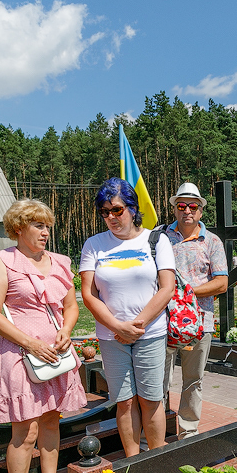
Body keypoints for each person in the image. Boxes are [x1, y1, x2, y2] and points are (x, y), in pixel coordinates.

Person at [0, 199, 87, 473]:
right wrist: (31, 344)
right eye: (38, 226)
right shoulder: (2, 261)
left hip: (56, 353)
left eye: (48, 227)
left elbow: (71, 307)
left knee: (52, 419)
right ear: (18, 228)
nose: (45, 233)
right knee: (25, 431)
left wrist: (66, 331)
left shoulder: (61, 262)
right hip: (21, 354)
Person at [79, 179, 176, 457]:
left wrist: (137, 326)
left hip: (150, 333)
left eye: (117, 210)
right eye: (104, 212)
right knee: (124, 402)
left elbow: (167, 287)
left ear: (133, 209)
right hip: (112, 337)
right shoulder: (94, 245)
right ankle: (133, 462)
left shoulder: (157, 240)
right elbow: (88, 294)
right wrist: (118, 326)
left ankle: (156, 459)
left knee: (151, 400)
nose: (111, 217)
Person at [163, 183, 228, 438]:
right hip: (163, 321)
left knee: (193, 380)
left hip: (200, 322)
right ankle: (155, 435)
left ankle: (187, 433)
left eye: (193, 206)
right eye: (181, 206)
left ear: (201, 211)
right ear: (174, 209)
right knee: (159, 382)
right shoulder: (160, 237)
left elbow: (221, 283)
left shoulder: (211, 241)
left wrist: (185, 291)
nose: (187, 211)